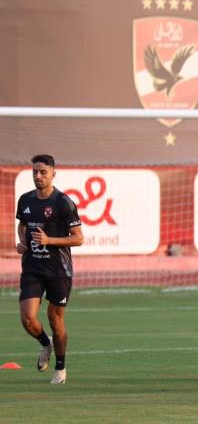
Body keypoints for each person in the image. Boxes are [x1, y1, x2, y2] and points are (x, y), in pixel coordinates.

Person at [16, 154, 84, 385]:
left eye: (43, 172)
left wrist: (49, 240)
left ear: (53, 173)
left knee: (55, 320)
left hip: (58, 270)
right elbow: (22, 225)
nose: (38, 176)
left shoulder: (63, 202)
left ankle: (60, 368)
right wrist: (23, 242)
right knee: (27, 319)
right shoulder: (25, 200)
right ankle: (46, 344)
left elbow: (78, 239)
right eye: (35, 171)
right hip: (32, 267)